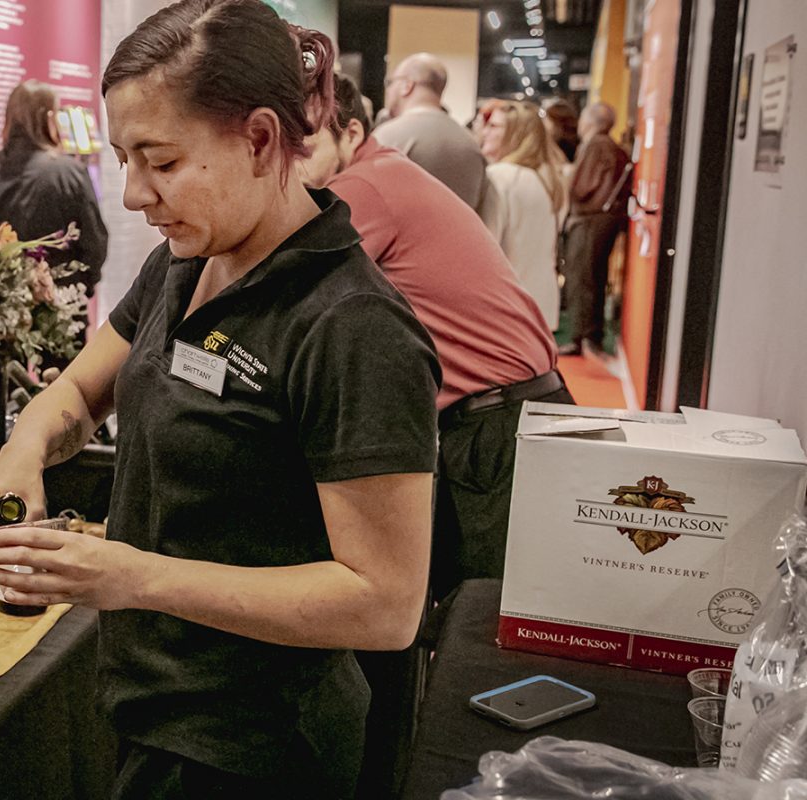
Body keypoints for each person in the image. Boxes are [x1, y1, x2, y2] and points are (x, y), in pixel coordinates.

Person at [0, 3, 440, 796]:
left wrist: (132, 576)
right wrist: (22, 454)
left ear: (259, 139)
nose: (131, 195)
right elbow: (81, 389)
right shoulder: (184, 265)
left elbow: (383, 603)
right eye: (123, 158)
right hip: (152, 706)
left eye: (159, 160)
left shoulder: (353, 328)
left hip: (255, 750)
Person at [301, 72, 565, 794]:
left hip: (493, 423)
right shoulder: (386, 174)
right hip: (499, 414)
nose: (288, 165)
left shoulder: (365, 191)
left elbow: (282, 277)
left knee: (472, 634)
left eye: (302, 144)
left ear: (350, 134)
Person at [0, 79, 108, 366]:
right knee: (59, 398)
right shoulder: (69, 173)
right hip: (59, 311)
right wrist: (78, 289)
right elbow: (94, 245)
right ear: (49, 118)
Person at [479, 100, 565, 333]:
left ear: (515, 134)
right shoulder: (551, 180)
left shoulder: (500, 177)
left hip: (506, 309)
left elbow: (486, 247)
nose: (485, 132)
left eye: (494, 126)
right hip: (542, 305)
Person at [560, 102, 632, 357]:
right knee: (592, 277)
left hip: (590, 220)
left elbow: (582, 187)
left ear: (590, 121)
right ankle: (589, 335)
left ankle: (583, 337)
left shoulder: (596, 145)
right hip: (603, 220)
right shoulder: (611, 146)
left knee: (583, 278)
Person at [375, 52, 488, 209]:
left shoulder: (386, 137)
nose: (388, 90)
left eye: (390, 82)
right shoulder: (470, 143)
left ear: (407, 85)